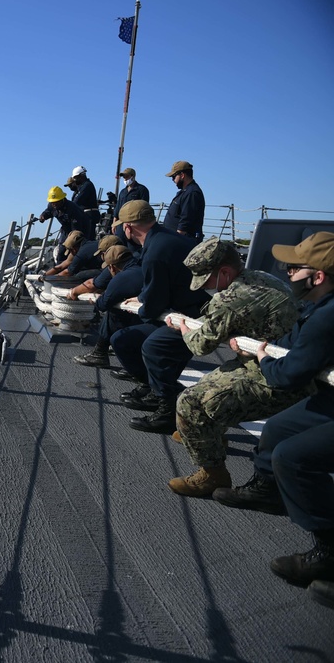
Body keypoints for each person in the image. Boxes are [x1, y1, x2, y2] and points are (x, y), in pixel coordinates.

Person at [212, 231, 334, 588]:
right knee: (278, 428)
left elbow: (288, 376)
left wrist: (262, 357)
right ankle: (267, 489)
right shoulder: (318, 305)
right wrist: (264, 346)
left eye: (294, 268)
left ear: (319, 276)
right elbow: (295, 343)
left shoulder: (328, 316)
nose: (288, 274)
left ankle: (330, 549)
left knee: (293, 456)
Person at [165, 238, 303, 497]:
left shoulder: (231, 297)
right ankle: (208, 438)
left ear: (225, 273)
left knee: (189, 402)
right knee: (207, 386)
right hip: (283, 363)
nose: (204, 286)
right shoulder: (259, 278)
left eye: (206, 280)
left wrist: (183, 327)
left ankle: (213, 476)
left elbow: (200, 345)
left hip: (276, 376)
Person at [107, 200, 208, 434]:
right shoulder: (166, 238)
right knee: (123, 340)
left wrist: (141, 306)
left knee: (153, 346)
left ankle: (167, 411)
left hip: (193, 316)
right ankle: (153, 389)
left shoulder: (155, 251)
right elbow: (159, 287)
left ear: (128, 228)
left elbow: (154, 305)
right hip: (185, 308)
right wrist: (142, 298)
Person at [73, 244, 143, 368]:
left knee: (113, 312)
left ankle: (99, 354)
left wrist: (98, 299)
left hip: (143, 323)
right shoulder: (142, 268)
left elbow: (102, 305)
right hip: (155, 318)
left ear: (112, 267)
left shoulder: (121, 278)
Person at [40, 186, 91, 260]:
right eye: (52, 202)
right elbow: (48, 212)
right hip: (66, 229)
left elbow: (76, 230)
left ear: (62, 199)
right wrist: (43, 216)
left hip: (80, 230)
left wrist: (72, 243)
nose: (54, 204)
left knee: (77, 252)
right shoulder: (52, 205)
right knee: (61, 252)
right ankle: (59, 267)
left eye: (56, 202)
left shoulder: (72, 209)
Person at [66, 235, 122, 300]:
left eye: (102, 254)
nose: (102, 257)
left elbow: (91, 284)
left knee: (80, 276)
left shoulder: (114, 267)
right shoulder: (134, 257)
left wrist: (74, 292)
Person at [163, 160, 205, 241]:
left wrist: (176, 240)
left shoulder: (192, 193)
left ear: (182, 175)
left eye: (174, 177)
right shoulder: (185, 192)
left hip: (182, 241)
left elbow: (186, 220)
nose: (173, 180)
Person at [69, 165, 100, 237]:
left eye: (75, 178)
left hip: (89, 215)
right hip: (85, 215)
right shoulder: (82, 186)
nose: (75, 180)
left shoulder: (87, 185)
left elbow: (77, 200)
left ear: (81, 176)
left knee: (88, 236)